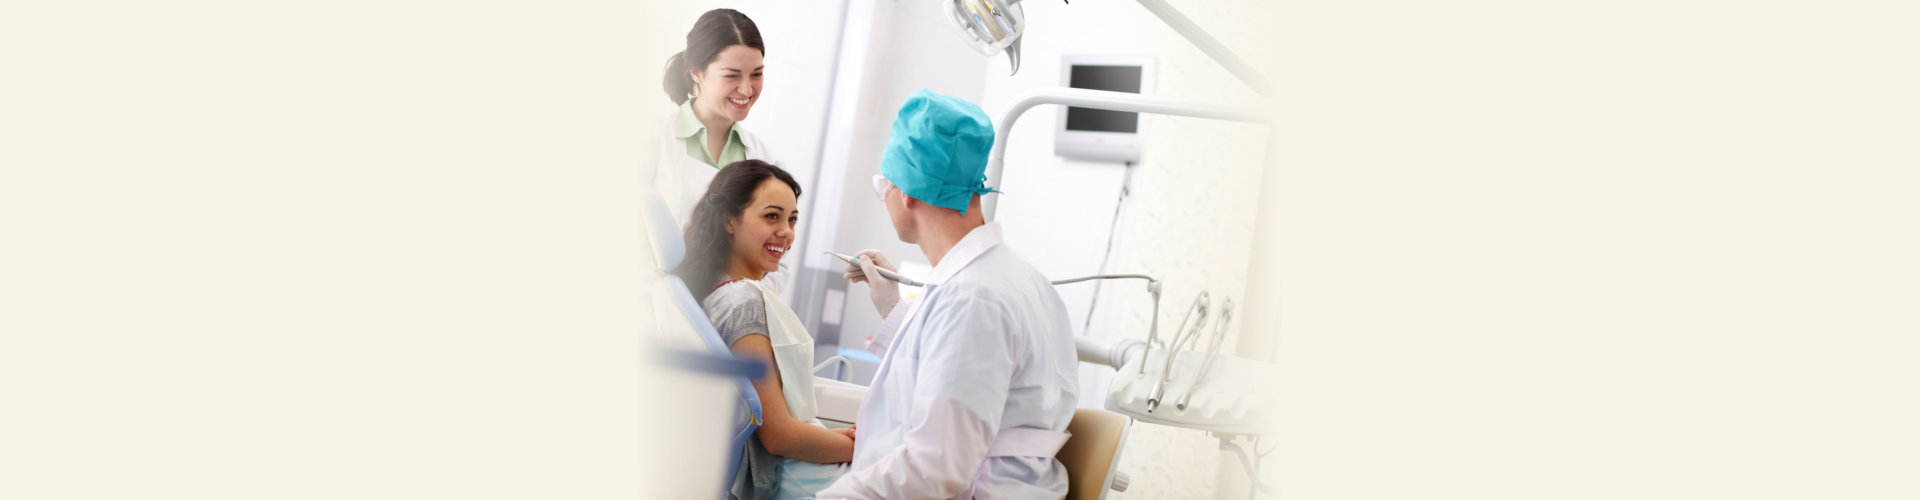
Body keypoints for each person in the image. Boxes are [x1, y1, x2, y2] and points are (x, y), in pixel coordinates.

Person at [816, 90, 1079, 499]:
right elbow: (952, 367)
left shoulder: (973, 300)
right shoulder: (1014, 278)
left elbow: (935, 470)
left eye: (882, 184)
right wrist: (891, 304)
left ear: (905, 192)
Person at [673, 160, 850, 499]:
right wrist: (862, 446)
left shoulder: (717, 293)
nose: (786, 231)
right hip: (787, 472)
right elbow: (778, 435)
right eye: (772, 216)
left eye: (792, 219)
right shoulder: (744, 302)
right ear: (729, 220)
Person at [657, 8, 779, 229]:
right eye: (731, 75)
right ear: (697, 72)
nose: (746, 89)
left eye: (756, 74)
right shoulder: (654, 141)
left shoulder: (765, 160)